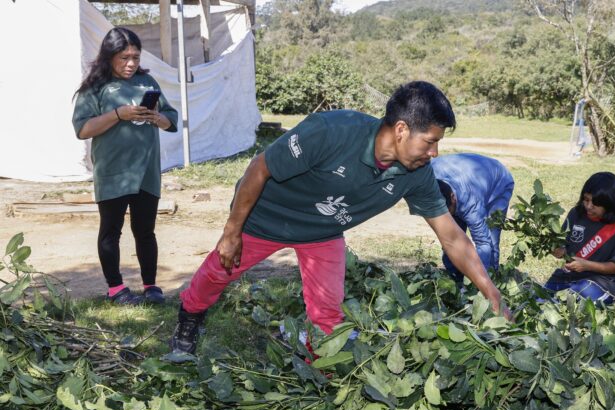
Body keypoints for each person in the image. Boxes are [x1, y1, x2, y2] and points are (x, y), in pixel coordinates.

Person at [170, 81, 508, 354]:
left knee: (328, 310)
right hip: (268, 217)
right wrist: (232, 232)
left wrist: (490, 292)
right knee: (217, 272)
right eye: (430, 142)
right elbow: (258, 169)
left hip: (324, 232)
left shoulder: (416, 172)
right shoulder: (332, 131)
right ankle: (190, 315)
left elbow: (452, 236)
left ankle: (324, 362)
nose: (434, 153)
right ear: (402, 129)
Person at [72, 27, 178, 305]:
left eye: (135, 56)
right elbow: (83, 129)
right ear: (109, 57)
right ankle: (116, 288)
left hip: (146, 173)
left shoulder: (147, 81)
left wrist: (156, 117)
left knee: (145, 231)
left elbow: (171, 121)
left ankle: (151, 286)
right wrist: (118, 114)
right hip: (113, 174)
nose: (131, 63)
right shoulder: (95, 88)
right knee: (111, 230)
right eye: (124, 57)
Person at [545, 172, 615, 305]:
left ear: (609, 203)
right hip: (567, 277)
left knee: (567, 302)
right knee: (538, 301)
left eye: (595, 203)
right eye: (586, 200)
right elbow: (564, 247)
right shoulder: (576, 213)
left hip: (601, 283)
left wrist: (587, 265)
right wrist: (558, 250)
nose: (588, 206)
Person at [431, 153, 515, 284]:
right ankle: (456, 278)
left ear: (453, 198)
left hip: (498, 181)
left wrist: (479, 284)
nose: (446, 217)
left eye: (449, 211)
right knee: (452, 234)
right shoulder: (427, 182)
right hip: (464, 173)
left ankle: (491, 280)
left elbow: (483, 244)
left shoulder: (472, 204)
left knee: (491, 238)